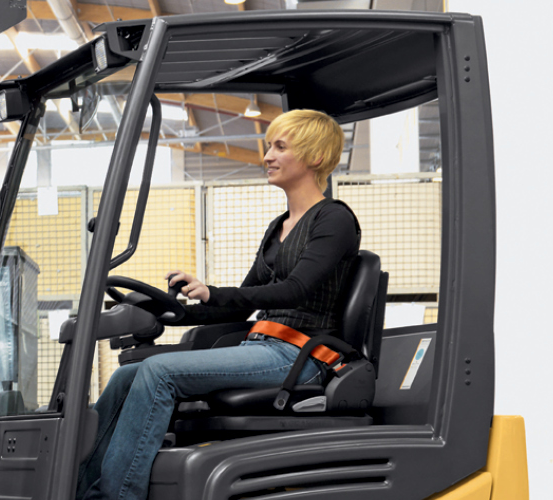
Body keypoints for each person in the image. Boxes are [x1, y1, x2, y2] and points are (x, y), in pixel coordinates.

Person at [78, 109, 361, 500]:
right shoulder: (279, 227)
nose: (267, 156)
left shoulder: (334, 219)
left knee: (158, 373)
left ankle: (116, 496)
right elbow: (236, 309)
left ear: (314, 157)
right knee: (125, 377)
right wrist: (172, 313)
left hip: (301, 355)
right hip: (262, 346)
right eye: (268, 147)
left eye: (280, 147)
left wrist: (214, 291)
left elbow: (295, 290)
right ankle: (79, 490)